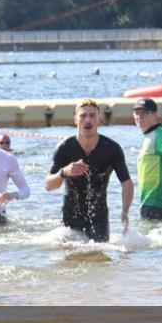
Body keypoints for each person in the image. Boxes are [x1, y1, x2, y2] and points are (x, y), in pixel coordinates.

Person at [44, 99, 133, 242]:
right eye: (83, 116)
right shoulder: (65, 147)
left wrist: (125, 211)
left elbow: (127, 183)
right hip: (70, 218)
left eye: (92, 116)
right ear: (75, 120)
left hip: (99, 218)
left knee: (99, 259)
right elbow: (48, 185)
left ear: (99, 120)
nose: (88, 120)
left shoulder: (112, 148)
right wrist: (64, 172)